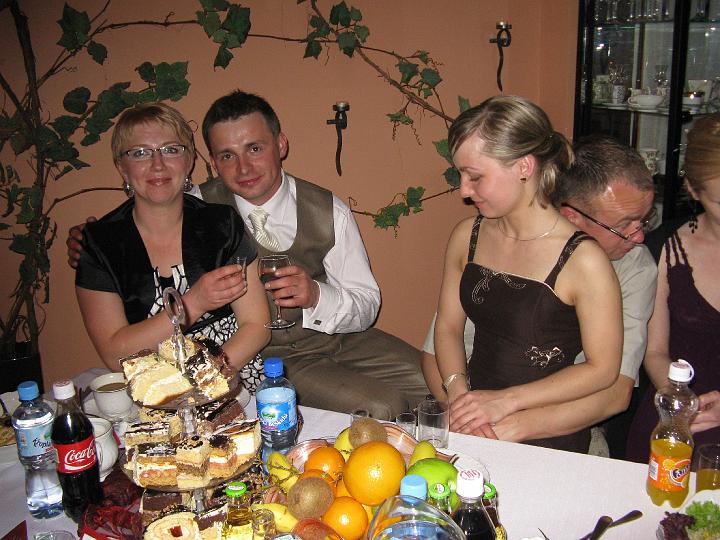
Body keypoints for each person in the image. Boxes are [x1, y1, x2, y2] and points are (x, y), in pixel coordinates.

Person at [68, 91, 429, 420]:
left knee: (433, 381)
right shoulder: (199, 208)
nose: (243, 168)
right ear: (211, 161)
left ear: (280, 144)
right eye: (228, 155)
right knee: (384, 405)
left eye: (255, 148)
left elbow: (367, 303)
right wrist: (91, 239)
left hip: (340, 337)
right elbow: (145, 211)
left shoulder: (327, 210)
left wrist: (316, 295)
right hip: (269, 355)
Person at [422, 135, 658, 458]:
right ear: (572, 217)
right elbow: (436, 351)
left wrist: (510, 426)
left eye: (645, 220)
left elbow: (615, 392)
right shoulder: (495, 242)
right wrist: (465, 416)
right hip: (473, 412)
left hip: (556, 428)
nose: (640, 236)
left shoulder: (635, 266)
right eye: (624, 225)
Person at [74, 102, 270, 391]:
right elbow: (115, 355)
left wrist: (199, 384)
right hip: (150, 386)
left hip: (229, 372)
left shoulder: (222, 225)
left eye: (170, 150)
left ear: (188, 161)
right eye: (140, 153)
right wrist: (193, 303)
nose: (158, 164)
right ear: (121, 167)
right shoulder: (99, 243)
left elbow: (257, 327)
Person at [627, 113, 720, 463]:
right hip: (676, 420)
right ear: (694, 190)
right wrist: (681, 400)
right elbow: (654, 352)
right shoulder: (664, 248)